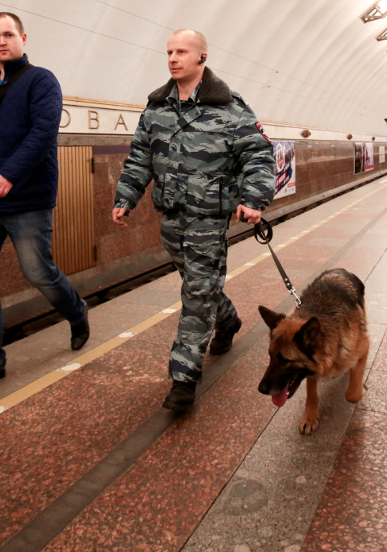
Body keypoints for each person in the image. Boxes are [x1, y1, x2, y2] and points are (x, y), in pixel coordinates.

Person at [112, 29, 275, 411]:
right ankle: (229, 320)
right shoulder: (156, 108)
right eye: (169, 51)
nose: (173, 58)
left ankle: (183, 379)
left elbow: (259, 157)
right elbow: (139, 158)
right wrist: (126, 196)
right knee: (198, 284)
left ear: (202, 57)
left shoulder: (230, 107)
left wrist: (254, 199)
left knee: (197, 293)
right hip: (170, 215)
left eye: (181, 51)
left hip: (208, 216)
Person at [0, 12, 90, 396]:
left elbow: (43, 134)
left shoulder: (41, 80)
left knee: (38, 272)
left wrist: (10, 174)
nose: (2, 41)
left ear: (23, 38)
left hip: (26, 198)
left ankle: (77, 312)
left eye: (8, 34)